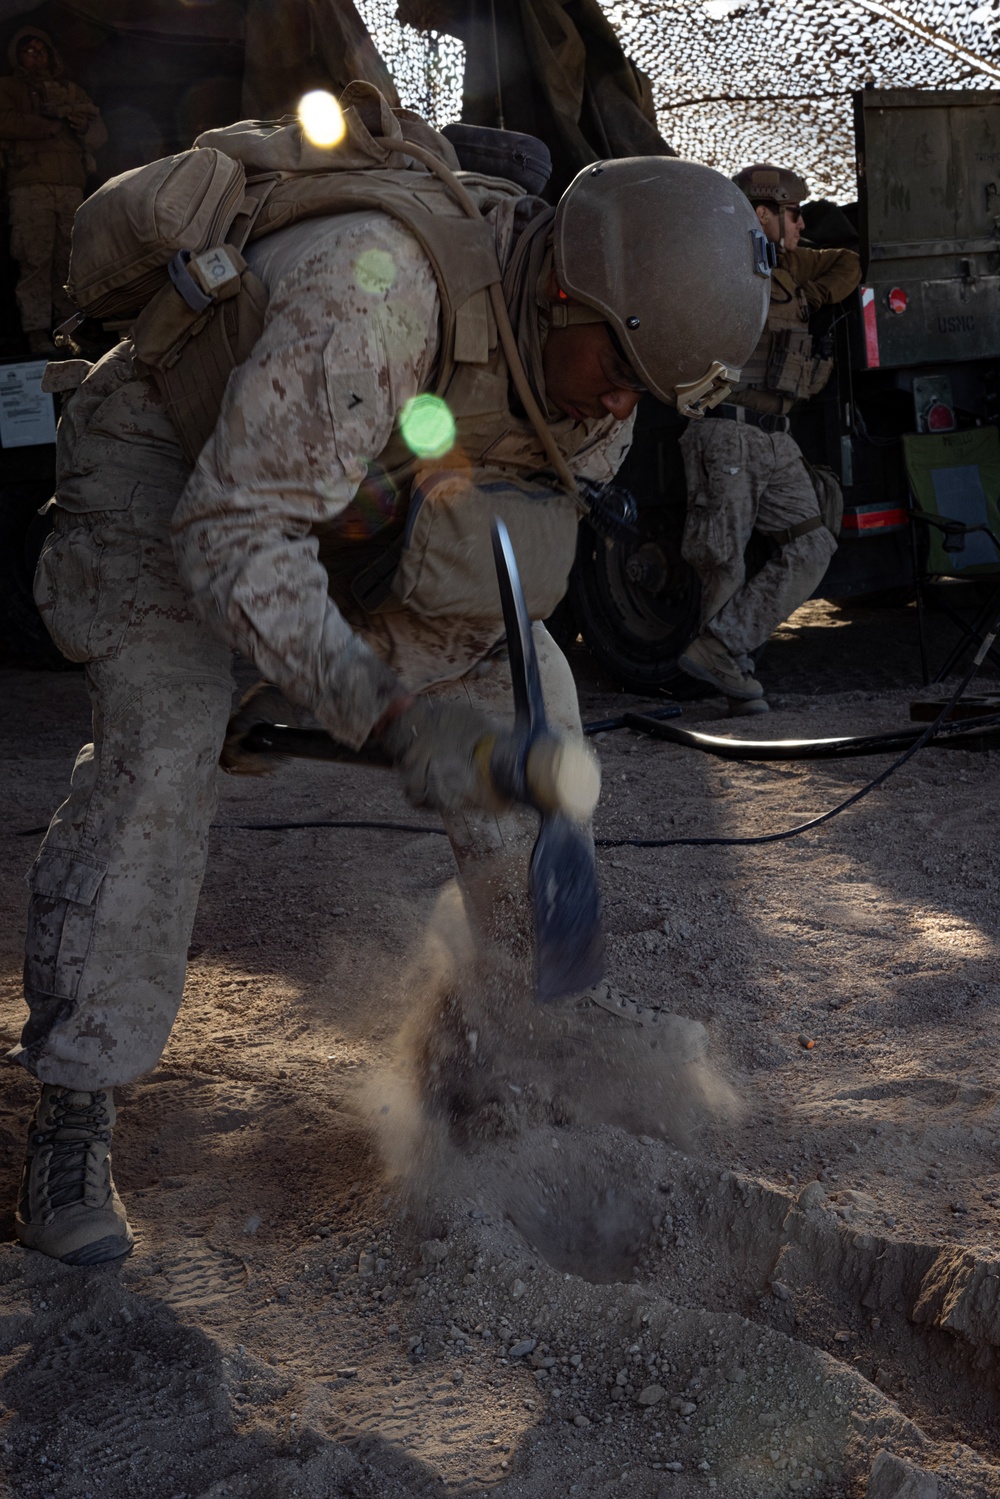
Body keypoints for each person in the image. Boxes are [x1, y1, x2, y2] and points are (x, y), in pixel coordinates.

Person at [11, 100, 770, 1266]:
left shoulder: (596, 383)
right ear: (566, 293)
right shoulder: (375, 296)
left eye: (646, 394)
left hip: (346, 508)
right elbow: (230, 539)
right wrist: (385, 710)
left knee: (540, 731)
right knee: (163, 752)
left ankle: (507, 1034)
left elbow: (493, 556)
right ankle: (78, 1098)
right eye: (618, 369)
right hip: (170, 473)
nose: (622, 406)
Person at [677, 161, 861, 714]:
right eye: (792, 214)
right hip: (727, 430)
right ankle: (727, 676)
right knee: (723, 561)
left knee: (813, 542)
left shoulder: (790, 263)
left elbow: (847, 263)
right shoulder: (718, 262)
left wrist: (810, 298)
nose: (802, 225)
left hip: (777, 437)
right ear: (762, 214)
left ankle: (721, 649)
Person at [0, 27, 105, 356]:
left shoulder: (70, 90)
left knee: (68, 264)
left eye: (40, 50)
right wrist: (50, 122)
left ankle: (66, 333)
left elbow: (100, 134)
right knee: (36, 260)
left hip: (70, 186)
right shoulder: (9, 88)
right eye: (27, 51)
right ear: (16, 56)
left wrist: (82, 126)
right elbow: (5, 121)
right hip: (30, 186)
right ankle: (35, 334)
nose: (35, 56)